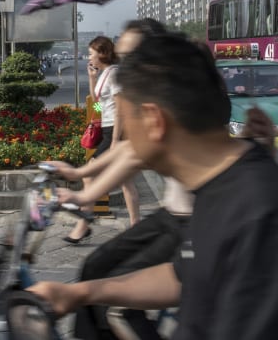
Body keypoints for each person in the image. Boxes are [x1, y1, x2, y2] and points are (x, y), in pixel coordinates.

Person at [29, 34, 278, 339]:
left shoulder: (260, 218)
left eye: (130, 117)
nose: (128, 142)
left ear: (154, 121)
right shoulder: (216, 186)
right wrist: (78, 293)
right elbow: (186, 274)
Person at [48, 19, 192, 340]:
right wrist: (80, 175)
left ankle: (96, 223)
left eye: (128, 53)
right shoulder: (122, 81)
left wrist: (88, 183)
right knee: (92, 270)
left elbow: (135, 148)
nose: (120, 59)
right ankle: (113, 222)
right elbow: (102, 111)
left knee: (112, 299)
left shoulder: (165, 93)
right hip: (171, 209)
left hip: (191, 221)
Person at [64, 35, 127, 243]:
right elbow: (99, 104)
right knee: (126, 183)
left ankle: (83, 224)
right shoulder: (104, 74)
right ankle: (133, 224)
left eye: (91, 53)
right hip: (107, 130)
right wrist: (92, 78)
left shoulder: (115, 74)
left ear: (102, 53)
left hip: (113, 132)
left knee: (90, 175)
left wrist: (116, 140)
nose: (89, 56)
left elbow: (119, 110)